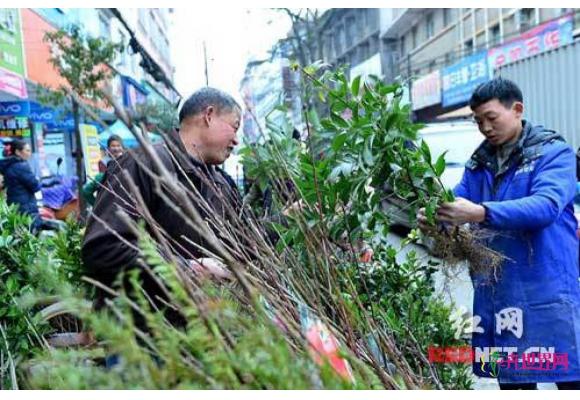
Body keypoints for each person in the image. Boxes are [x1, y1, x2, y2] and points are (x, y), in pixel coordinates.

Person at [418, 78, 580, 389]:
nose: (485, 128)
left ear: (517, 109)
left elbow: (545, 206)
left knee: (568, 376)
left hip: (545, 285)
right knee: (513, 381)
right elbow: (456, 200)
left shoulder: (553, 153)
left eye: (491, 118)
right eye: (478, 121)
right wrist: (436, 216)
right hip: (499, 290)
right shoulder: (479, 164)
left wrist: (480, 212)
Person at [82, 87, 242, 327]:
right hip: (142, 338)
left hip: (198, 335)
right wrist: (188, 269)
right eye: (235, 126)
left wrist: (288, 218)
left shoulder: (218, 182)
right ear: (208, 115)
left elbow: (241, 241)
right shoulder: (142, 165)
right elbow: (104, 247)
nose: (237, 140)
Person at [0, 139, 41, 231]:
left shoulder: (7, 165)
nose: (29, 153)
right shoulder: (21, 166)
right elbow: (35, 186)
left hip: (12, 207)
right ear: (18, 152)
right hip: (26, 208)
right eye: (27, 150)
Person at [83, 135, 125, 206]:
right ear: (108, 149)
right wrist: (98, 206)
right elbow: (86, 192)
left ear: (122, 148)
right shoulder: (103, 164)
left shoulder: (128, 164)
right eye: (113, 146)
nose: (116, 148)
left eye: (118, 145)